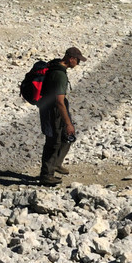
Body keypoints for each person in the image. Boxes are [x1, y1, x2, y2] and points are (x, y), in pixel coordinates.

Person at [38, 47, 82, 185]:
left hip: (54, 108)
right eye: (78, 60)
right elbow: (59, 102)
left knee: (66, 137)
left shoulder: (56, 66)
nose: (78, 64)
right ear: (71, 59)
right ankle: (46, 175)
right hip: (53, 111)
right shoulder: (60, 75)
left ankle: (56, 163)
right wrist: (68, 123)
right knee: (53, 142)